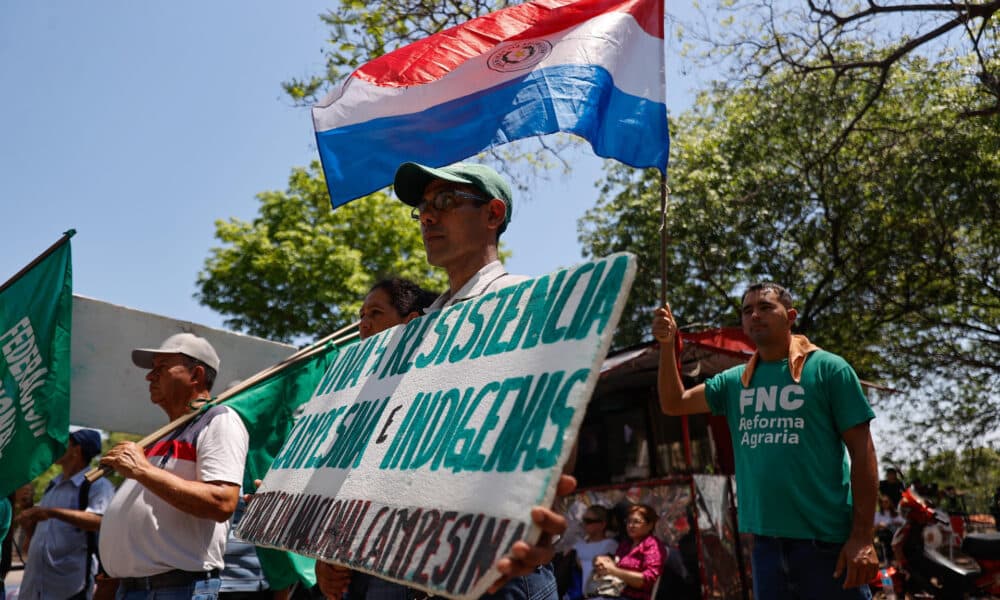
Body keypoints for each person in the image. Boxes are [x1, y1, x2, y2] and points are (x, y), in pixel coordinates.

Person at [315, 162, 574, 600]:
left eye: (445, 202)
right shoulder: (415, 332)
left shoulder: (530, 302)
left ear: (493, 214)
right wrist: (334, 543)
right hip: (412, 567)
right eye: (422, 209)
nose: (428, 217)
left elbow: (558, 428)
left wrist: (540, 533)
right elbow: (382, 447)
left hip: (498, 566)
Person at [653, 282, 879, 599]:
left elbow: (864, 455)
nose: (755, 315)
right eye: (747, 311)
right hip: (765, 547)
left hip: (827, 545)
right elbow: (674, 403)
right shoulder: (734, 382)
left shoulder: (829, 369)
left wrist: (863, 538)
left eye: (765, 307)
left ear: (790, 316)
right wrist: (666, 345)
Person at [98, 333, 249, 600]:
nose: (149, 377)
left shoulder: (219, 420)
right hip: (135, 588)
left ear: (196, 375)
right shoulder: (163, 435)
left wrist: (141, 470)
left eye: (161, 368)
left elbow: (222, 501)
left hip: (176, 589)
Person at [17, 429, 115, 599]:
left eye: (64, 444)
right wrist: (29, 513)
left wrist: (51, 512)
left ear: (77, 450)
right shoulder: (53, 485)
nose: (56, 448)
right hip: (35, 587)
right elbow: (35, 536)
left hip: (68, 588)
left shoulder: (98, 485)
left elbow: (100, 521)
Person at [591, 504, 662, 600]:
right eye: (628, 521)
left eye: (636, 522)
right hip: (616, 593)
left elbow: (647, 581)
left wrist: (613, 570)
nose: (630, 525)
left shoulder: (652, 545)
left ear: (650, 525)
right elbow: (617, 566)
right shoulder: (626, 544)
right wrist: (604, 563)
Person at [573, 506, 618, 596]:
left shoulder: (611, 545)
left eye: (589, 521)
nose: (585, 524)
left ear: (602, 524)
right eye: (584, 520)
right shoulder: (578, 545)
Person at [873, 494, 903, 563]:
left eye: (886, 502)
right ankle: (889, 559)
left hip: (896, 532)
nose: (885, 504)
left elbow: (903, 523)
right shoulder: (878, 515)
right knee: (887, 536)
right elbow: (874, 528)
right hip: (884, 533)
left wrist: (896, 523)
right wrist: (879, 526)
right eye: (883, 502)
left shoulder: (896, 513)